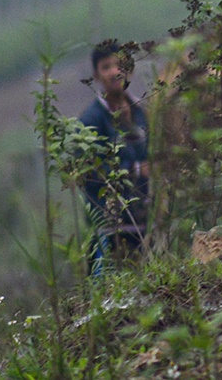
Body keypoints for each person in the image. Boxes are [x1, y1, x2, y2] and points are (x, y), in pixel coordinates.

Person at [80, 41, 149, 274]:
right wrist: (137, 170)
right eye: (106, 67)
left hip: (144, 223)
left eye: (118, 65)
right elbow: (91, 173)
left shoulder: (140, 111)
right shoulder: (91, 120)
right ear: (96, 75)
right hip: (109, 228)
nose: (114, 72)